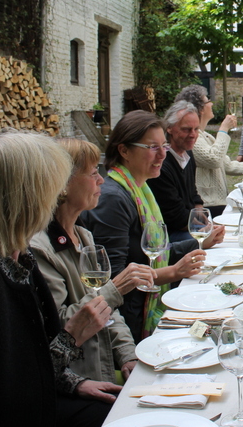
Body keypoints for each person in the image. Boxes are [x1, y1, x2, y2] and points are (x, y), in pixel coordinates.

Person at [0, 130, 114, 426]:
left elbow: (27, 366)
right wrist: (70, 338)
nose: (57, 197)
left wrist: (73, 383)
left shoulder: (16, 259)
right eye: (52, 187)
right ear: (26, 199)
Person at [31, 138, 156, 388]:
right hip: (75, 381)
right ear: (63, 185)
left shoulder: (83, 236)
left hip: (105, 369)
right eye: (92, 173)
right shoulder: (40, 249)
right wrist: (115, 290)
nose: (101, 180)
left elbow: (109, 310)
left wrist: (128, 355)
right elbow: (61, 324)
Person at [82, 110, 213, 342]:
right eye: (153, 147)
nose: (163, 154)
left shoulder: (140, 189)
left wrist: (199, 244)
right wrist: (173, 272)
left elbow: (154, 252)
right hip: (128, 325)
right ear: (124, 150)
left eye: (164, 146)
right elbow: (115, 281)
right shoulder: (114, 198)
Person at [145, 101, 225, 242]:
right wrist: (204, 230)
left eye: (196, 129)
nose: (193, 135)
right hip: (169, 234)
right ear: (169, 129)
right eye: (186, 129)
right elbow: (175, 218)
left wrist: (201, 212)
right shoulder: (162, 164)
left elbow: (193, 193)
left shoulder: (187, 153)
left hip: (186, 223)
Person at [174, 85, 243, 217]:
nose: (211, 103)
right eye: (208, 101)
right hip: (207, 207)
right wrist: (224, 129)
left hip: (219, 203)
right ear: (200, 109)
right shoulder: (193, 139)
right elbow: (214, 160)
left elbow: (228, 165)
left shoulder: (206, 136)